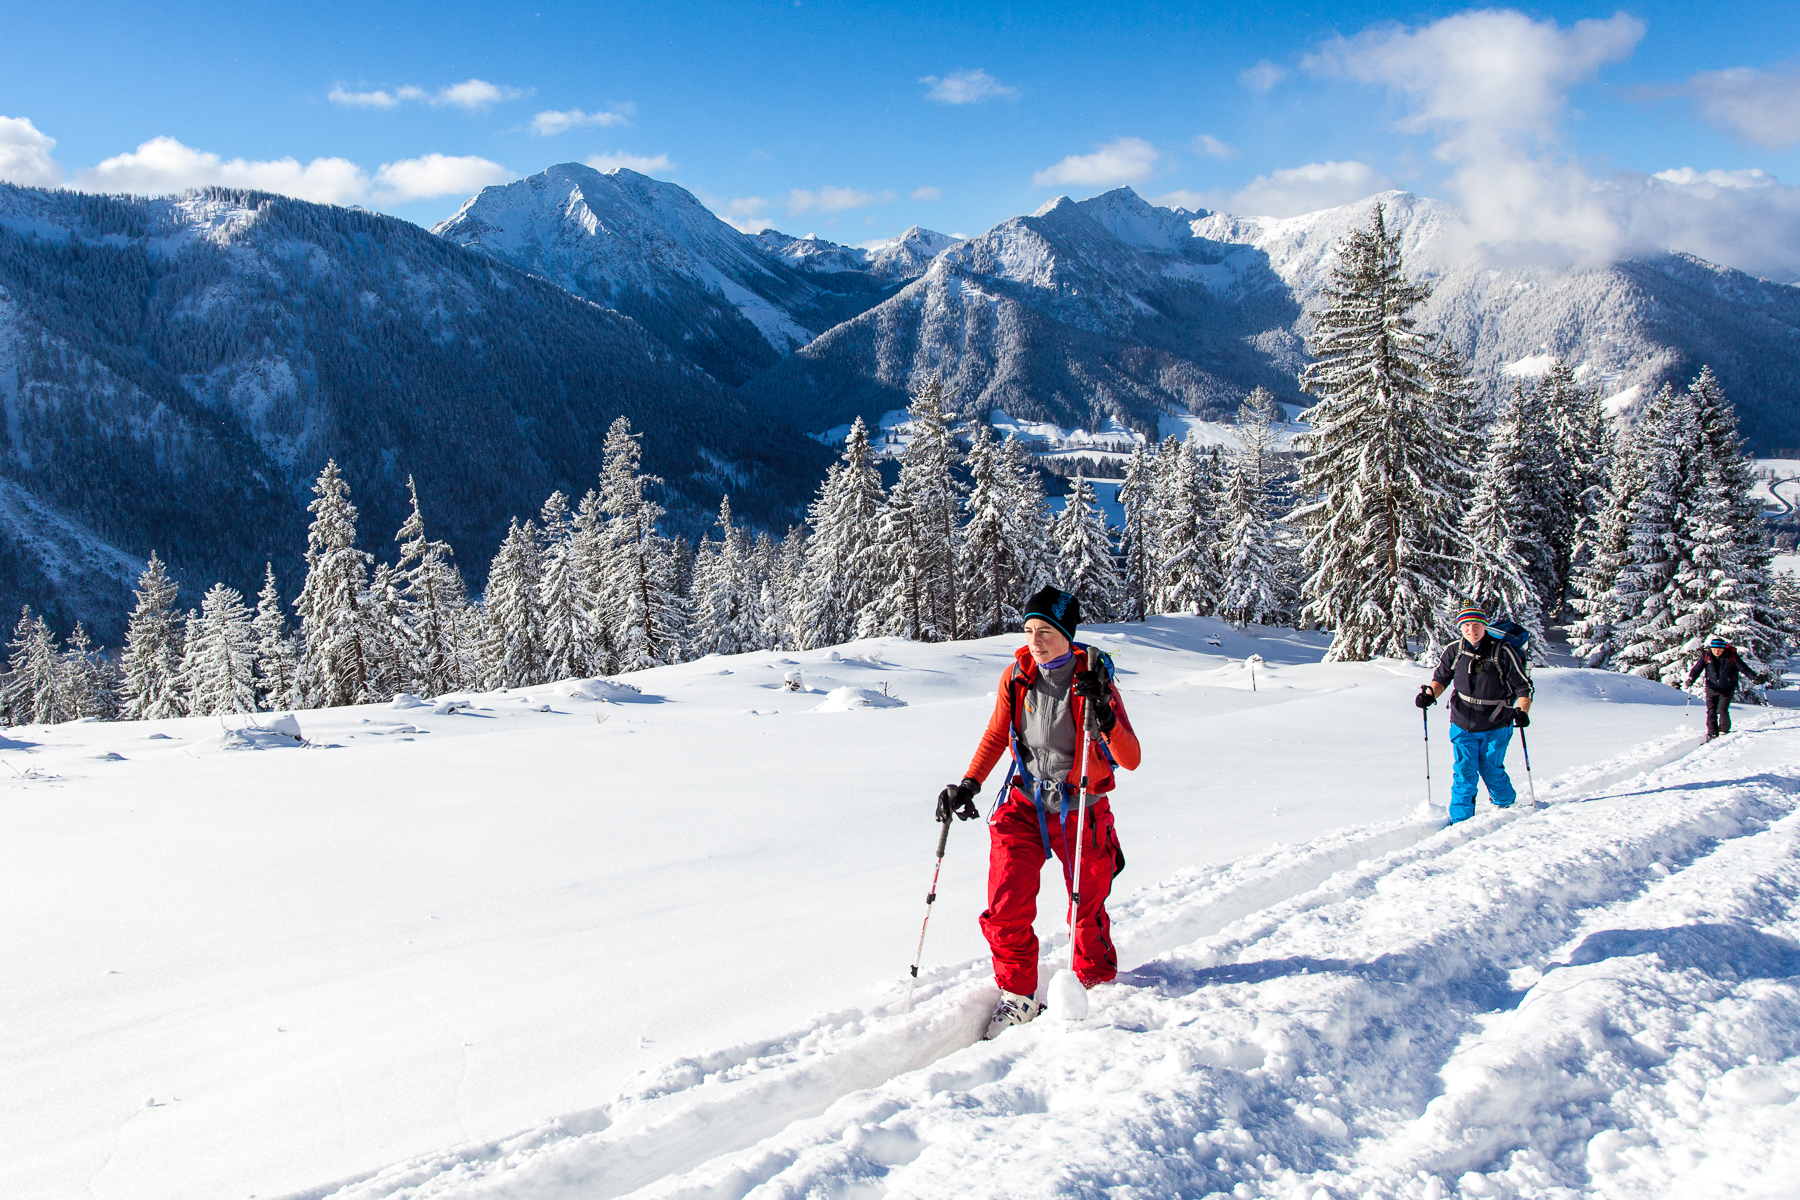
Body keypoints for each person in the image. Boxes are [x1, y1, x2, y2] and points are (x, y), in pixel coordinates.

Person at [935, 585, 1141, 1038]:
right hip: (1025, 802)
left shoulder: (1093, 680)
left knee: (1086, 909)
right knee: (1005, 906)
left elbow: (1130, 758)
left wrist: (1104, 712)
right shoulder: (1017, 676)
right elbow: (995, 735)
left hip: (1081, 806)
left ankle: (1095, 985)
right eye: (1029, 629)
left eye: (1046, 630)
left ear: (1068, 633)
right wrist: (969, 784)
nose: (1036, 639)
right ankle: (1019, 997)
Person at [1415, 607, 1533, 823]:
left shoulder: (1502, 652)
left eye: (1476, 625)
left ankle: (1505, 804)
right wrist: (1430, 695)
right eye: (1466, 625)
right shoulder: (1454, 650)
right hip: (1462, 722)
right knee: (1464, 772)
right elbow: (1441, 678)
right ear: (1460, 627)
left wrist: (1522, 710)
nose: (1472, 630)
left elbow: (1523, 687)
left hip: (1496, 723)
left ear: (1485, 626)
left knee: (1490, 769)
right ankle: (1461, 821)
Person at [1686, 635, 1741, 741]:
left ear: (1723, 649)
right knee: (1711, 711)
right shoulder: (1706, 656)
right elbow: (1697, 668)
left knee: (1722, 710)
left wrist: (1754, 678)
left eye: (1719, 650)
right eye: (1714, 649)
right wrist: (1691, 678)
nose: (1716, 652)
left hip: (1727, 688)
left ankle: (1724, 729)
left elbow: (1743, 668)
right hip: (1711, 687)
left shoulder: (1731, 657)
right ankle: (1712, 732)